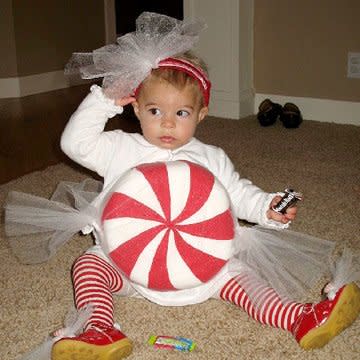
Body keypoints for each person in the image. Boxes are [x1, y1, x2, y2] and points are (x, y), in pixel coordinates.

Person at [4, 12, 359, 360]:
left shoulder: (211, 157)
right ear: (136, 108)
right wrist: (103, 102)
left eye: (182, 113)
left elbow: (238, 194)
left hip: (209, 270)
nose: (168, 124)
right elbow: (74, 144)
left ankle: (299, 318)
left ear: (201, 114)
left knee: (250, 281)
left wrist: (267, 207)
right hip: (129, 266)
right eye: (155, 111)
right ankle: (99, 329)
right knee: (88, 265)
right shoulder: (119, 148)